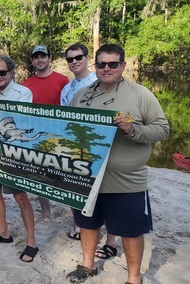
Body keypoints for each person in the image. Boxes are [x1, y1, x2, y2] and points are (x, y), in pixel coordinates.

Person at [66, 44, 170, 284]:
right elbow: (68, 129)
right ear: (95, 66)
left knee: (131, 230)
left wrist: (133, 129)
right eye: (101, 64)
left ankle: (134, 277)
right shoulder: (81, 95)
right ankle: (87, 265)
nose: (107, 69)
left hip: (126, 179)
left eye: (113, 64)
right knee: (88, 224)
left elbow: (162, 129)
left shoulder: (140, 94)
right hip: (86, 176)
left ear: (122, 65)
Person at [0, 55, 38, 262]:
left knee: (21, 197)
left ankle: (32, 242)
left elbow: (24, 119)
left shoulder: (23, 93)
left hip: (15, 155)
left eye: (2, 72)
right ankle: (4, 232)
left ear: (11, 73)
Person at [62, 43, 118, 259]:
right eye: (70, 59)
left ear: (87, 59)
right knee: (77, 189)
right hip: (76, 146)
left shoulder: (100, 81)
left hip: (101, 147)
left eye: (78, 57)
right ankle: (79, 228)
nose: (74, 61)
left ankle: (111, 240)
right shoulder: (67, 88)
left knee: (107, 194)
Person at [23, 44, 69, 221]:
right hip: (37, 137)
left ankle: (76, 220)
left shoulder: (63, 80)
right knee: (40, 176)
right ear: (32, 60)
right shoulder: (27, 84)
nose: (40, 60)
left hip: (59, 135)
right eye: (36, 57)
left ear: (50, 58)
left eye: (43, 56)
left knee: (66, 177)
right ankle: (46, 213)